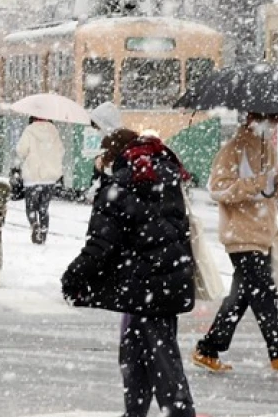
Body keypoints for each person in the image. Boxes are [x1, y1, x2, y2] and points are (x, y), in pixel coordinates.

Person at [60, 129, 197, 417]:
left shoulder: (121, 185)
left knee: (163, 363)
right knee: (135, 356)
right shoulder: (162, 174)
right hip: (164, 281)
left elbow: (101, 244)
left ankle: (180, 414)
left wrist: (73, 277)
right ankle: (134, 413)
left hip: (147, 286)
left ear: (112, 155)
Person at [192, 112, 278, 374]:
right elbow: (218, 189)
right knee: (264, 292)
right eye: (270, 118)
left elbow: (271, 195)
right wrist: (257, 182)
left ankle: (208, 348)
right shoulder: (232, 149)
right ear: (253, 118)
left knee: (241, 297)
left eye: (276, 119)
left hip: (263, 233)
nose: (273, 124)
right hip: (241, 235)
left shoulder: (268, 148)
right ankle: (277, 353)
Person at [14, 116, 64, 244]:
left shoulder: (29, 130)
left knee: (31, 207)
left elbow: (21, 151)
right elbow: (61, 151)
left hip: (32, 176)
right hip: (49, 177)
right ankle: (43, 233)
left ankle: (34, 224)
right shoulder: (53, 131)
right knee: (44, 208)